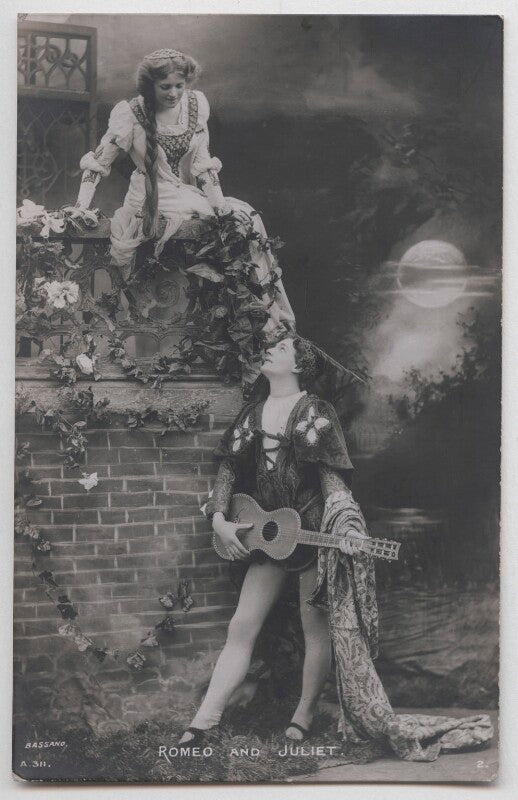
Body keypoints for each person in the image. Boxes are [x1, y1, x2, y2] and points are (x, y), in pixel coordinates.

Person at [179, 332, 494, 761]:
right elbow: (228, 472)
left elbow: (332, 480)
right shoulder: (251, 414)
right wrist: (220, 521)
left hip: (311, 536)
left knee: (316, 629)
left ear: (299, 364)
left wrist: (345, 523)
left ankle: (303, 716)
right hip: (267, 538)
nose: (270, 348)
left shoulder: (315, 413)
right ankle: (203, 722)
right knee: (241, 626)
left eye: (282, 347)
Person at [73, 48, 294, 330]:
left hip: (186, 194)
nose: (174, 93)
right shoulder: (129, 114)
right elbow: (98, 163)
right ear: (149, 85)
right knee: (235, 223)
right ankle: (258, 315)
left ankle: (267, 311)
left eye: (180, 85)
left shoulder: (195, 106)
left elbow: (203, 166)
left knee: (246, 219)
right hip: (150, 198)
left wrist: (220, 207)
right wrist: (80, 207)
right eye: (165, 87)